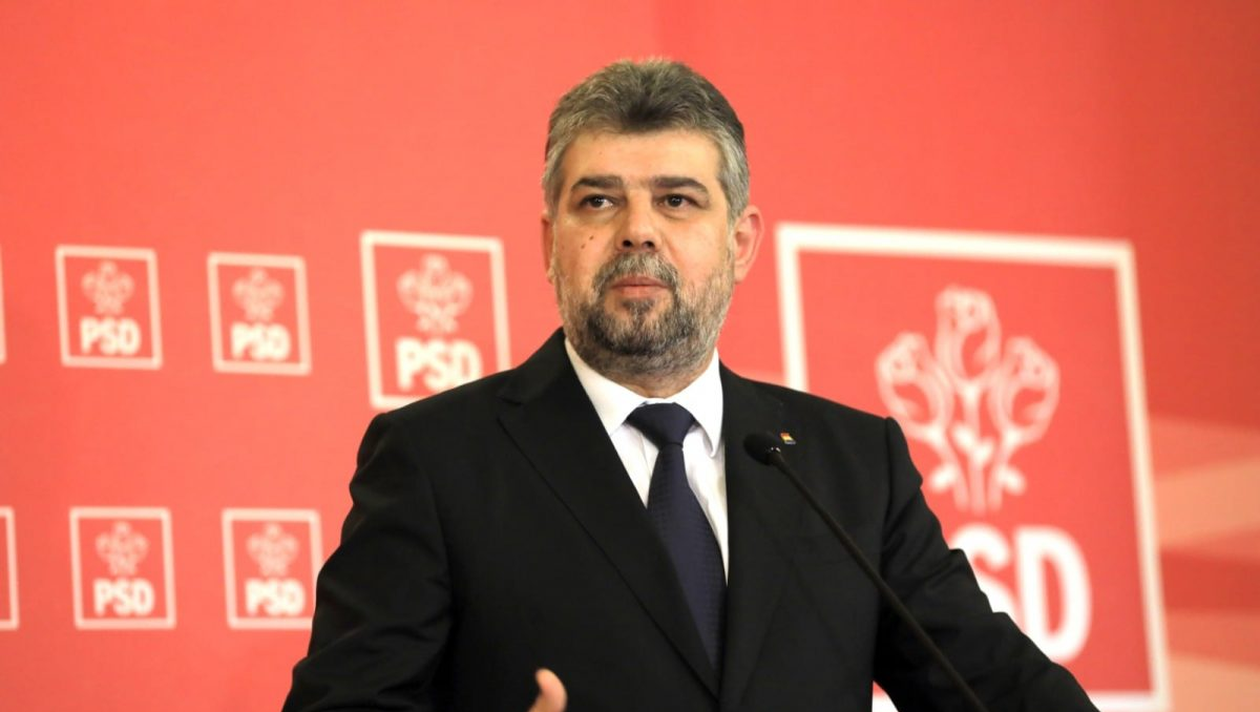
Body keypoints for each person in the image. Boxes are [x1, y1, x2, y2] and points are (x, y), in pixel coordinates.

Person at [283, 59, 1098, 712]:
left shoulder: (850, 467)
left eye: (677, 200)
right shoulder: (438, 461)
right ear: (550, 241)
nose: (637, 230)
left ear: (741, 244)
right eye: (598, 201)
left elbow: (991, 684)